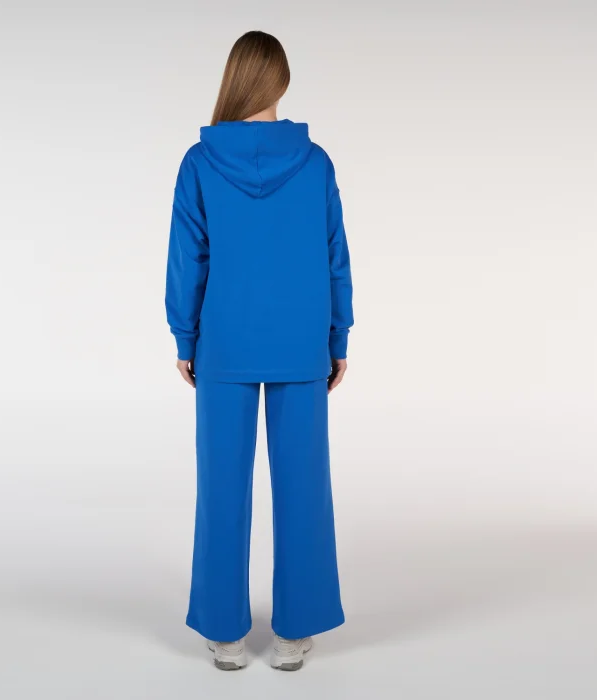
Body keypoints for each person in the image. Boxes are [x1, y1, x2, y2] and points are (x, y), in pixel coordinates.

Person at [165, 30, 353, 671]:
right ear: (281, 81)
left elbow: (188, 257)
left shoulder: (199, 162)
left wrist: (185, 337)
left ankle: (224, 634)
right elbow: (334, 255)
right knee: (304, 487)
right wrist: (338, 336)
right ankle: (295, 633)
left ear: (236, 79)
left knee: (221, 488)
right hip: (301, 342)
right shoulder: (316, 163)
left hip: (224, 343)